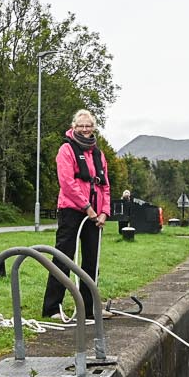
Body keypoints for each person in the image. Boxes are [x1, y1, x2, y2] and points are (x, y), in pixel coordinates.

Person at [41, 106, 112, 319]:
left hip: (95, 216)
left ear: (94, 128)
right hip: (72, 211)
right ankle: (53, 307)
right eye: (80, 126)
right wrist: (87, 207)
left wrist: (104, 212)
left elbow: (105, 186)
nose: (84, 129)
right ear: (74, 127)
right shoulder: (66, 150)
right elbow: (67, 183)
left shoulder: (99, 154)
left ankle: (89, 309)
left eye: (88, 126)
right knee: (63, 258)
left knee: (92, 261)